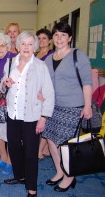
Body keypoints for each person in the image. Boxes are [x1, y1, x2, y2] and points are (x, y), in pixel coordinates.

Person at [1, 31, 55, 197]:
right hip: (13, 114)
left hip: (32, 116)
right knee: (15, 148)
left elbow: (49, 92)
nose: (26, 47)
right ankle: (20, 176)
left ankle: (32, 189)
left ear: (35, 47)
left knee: (31, 153)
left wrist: (43, 117)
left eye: (30, 44)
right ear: (17, 45)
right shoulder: (10, 62)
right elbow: (2, 87)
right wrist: (5, 84)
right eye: (23, 43)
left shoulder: (40, 66)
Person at [42, 22, 92, 192]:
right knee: (50, 140)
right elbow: (45, 83)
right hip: (52, 107)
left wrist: (87, 106)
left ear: (70, 38)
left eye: (63, 35)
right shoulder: (49, 58)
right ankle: (59, 171)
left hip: (73, 107)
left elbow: (87, 83)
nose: (59, 38)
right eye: (56, 35)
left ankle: (70, 177)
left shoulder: (79, 55)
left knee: (66, 144)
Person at [0, 33, 17, 175]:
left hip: (10, 102)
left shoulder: (14, 60)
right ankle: (3, 157)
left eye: (2, 46)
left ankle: (11, 161)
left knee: (9, 133)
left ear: (8, 46)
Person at [35, 28, 55, 159]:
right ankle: (42, 148)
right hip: (36, 91)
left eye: (44, 38)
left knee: (45, 120)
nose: (41, 41)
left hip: (46, 91)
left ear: (50, 41)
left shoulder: (52, 55)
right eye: (39, 38)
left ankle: (40, 150)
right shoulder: (34, 54)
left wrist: (45, 94)